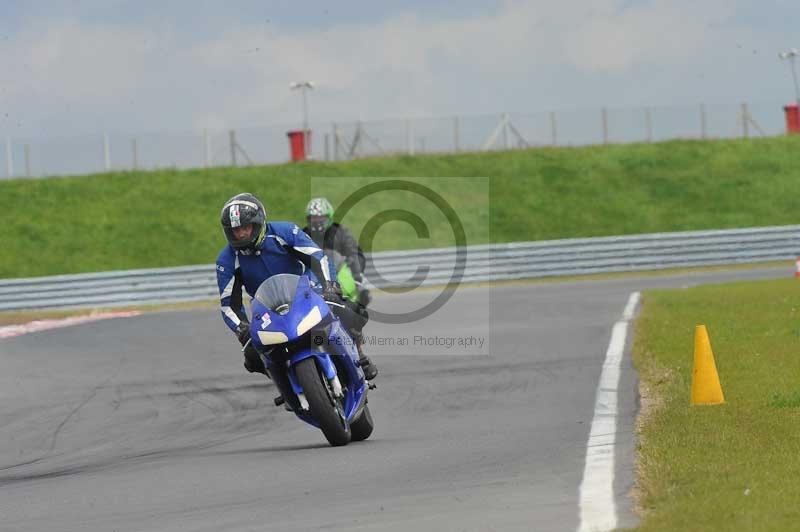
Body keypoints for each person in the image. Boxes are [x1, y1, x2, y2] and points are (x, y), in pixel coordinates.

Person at [215, 192, 378, 381]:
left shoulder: (284, 232)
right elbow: (228, 305)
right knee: (252, 357)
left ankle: (359, 356)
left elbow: (318, 257)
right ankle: (285, 385)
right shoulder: (226, 260)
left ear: (258, 222)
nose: (241, 233)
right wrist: (241, 328)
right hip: (268, 309)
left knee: (351, 312)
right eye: (235, 230)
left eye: (246, 227)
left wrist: (330, 286)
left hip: (305, 291)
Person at [303, 197, 371, 307]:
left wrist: (354, 266)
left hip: (339, 274)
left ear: (329, 217)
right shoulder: (303, 234)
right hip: (312, 276)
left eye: (321, 218)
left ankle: (356, 304)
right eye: (313, 218)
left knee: (360, 285)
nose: (317, 222)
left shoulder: (341, 232)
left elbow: (355, 252)